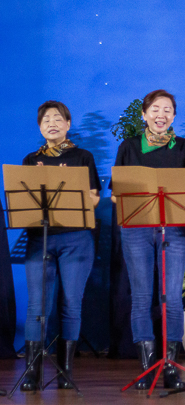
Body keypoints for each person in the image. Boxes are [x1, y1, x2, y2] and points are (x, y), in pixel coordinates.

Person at [114, 90, 185, 390]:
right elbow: (116, 195)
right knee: (141, 297)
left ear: (174, 116)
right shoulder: (128, 147)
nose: (161, 115)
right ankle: (146, 367)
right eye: (155, 109)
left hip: (174, 229)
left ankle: (170, 367)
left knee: (172, 297)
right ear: (144, 114)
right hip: (137, 228)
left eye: (167, 110)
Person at [20, 101, 101, 391]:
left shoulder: (82, 156)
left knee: (70, 304)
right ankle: (32, 371)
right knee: (36, 307)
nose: (52, 123)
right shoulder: (31, 160)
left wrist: (72, 192)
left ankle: (66, 371)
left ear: (68, 124)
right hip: (40, 238)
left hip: (76, 238)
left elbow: (94, 198)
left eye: (58, 118)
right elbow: (23, 200)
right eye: (45, 120)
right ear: (40, 127)